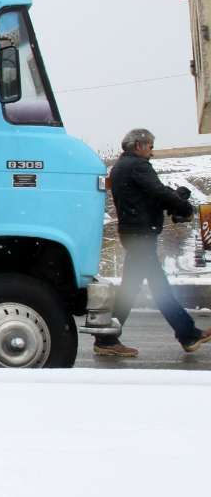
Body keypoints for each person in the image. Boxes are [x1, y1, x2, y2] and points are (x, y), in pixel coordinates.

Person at [94, 128, 211, 358]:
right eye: (150, 147)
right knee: (159, 289)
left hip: (133, 234)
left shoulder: (120, 167)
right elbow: (157, 191)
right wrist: (183, 207)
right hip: (141, 236)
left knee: (132, 288)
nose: (152, 152)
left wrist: (174, 198)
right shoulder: (138, 166)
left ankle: (107, 339)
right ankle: (187, 334)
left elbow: (148, 195)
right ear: (138, 145)